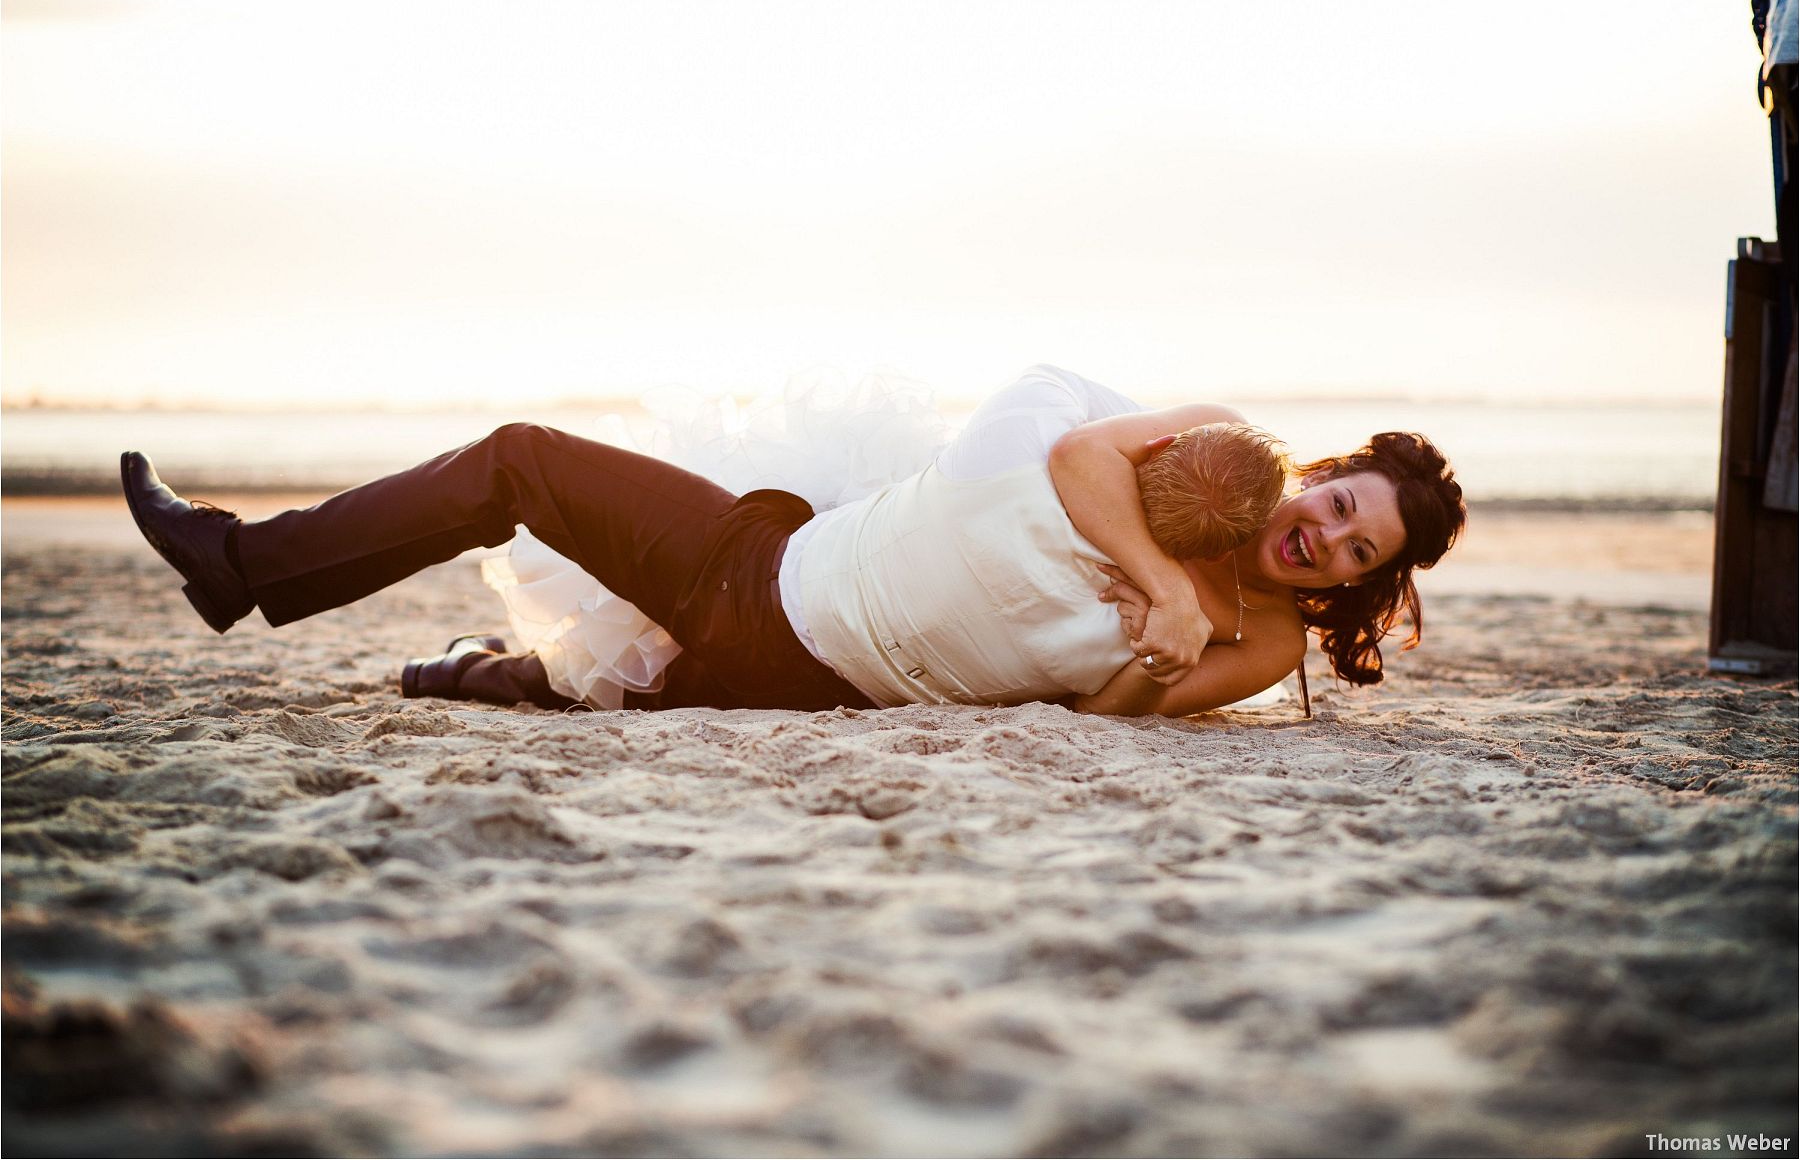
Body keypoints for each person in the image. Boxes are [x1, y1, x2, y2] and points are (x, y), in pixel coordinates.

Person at [122, 366, 1464, 717]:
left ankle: (247, 572)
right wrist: (1172, 580)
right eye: (1342, 507)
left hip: (789, 627)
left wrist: (1159, 656)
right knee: (588, 650)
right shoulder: (1192, 475)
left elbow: (1118, 711)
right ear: (1325, 472)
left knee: (528, 478)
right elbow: (1067, 450)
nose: (1326, 543)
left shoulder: (1263, 633)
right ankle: (446, 664)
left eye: (1358, 558)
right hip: (792, 603)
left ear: (1361, 589)